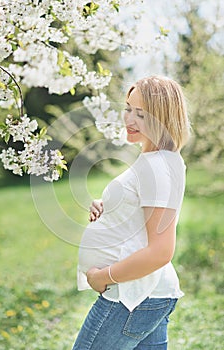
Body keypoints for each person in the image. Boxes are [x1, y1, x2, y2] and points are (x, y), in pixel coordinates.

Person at [72, 75, 191, 350]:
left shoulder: (158, 165)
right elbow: (142, 213)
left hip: (133, 296)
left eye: (142, 113)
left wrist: (103, 277)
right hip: (146, 293)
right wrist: (110, 207)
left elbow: (161, 251)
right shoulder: (154, 160)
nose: (129, 119)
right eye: (128, 108)